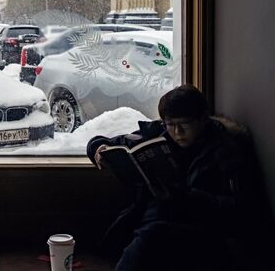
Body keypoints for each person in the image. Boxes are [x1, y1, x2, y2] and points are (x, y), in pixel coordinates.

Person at [87, 84, 272, 271]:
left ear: (202, 119)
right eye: (171, 125)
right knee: (110, 238)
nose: (177, 133)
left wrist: (184, 197)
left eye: (185, 124)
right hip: (152, 220)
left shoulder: (225, 149)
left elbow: (242, 211)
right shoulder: (161, 133)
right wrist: (98, 147)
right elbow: (113, 142)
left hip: (201, 232)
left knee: (151, 237)